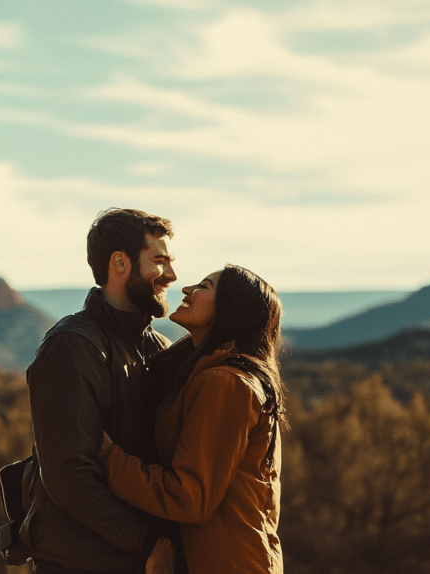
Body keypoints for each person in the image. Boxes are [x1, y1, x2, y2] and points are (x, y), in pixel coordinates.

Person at [20, 208, 178, 574]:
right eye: (159, 261)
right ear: (120, 263)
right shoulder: (71, 346)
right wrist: (148, 543)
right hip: (80, 564)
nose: (171, 275)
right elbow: (69, 476)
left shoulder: (160, 349)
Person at [100, 264, 287, 574]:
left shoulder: (226, 383)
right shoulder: (204, 374)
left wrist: (109, 458)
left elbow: (189, 497)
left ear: (230, 309)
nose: (187, 289)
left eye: (205, 286)